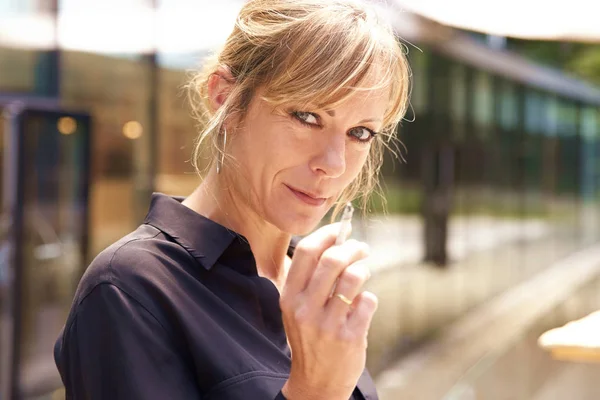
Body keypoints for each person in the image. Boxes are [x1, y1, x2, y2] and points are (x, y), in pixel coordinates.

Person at [54, 0, 410, 398]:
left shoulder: (311, 284)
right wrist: (316, 390)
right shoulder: (131, 288)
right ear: (224, 98)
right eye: (307, 116)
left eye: (360, 132)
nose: (334, 163)